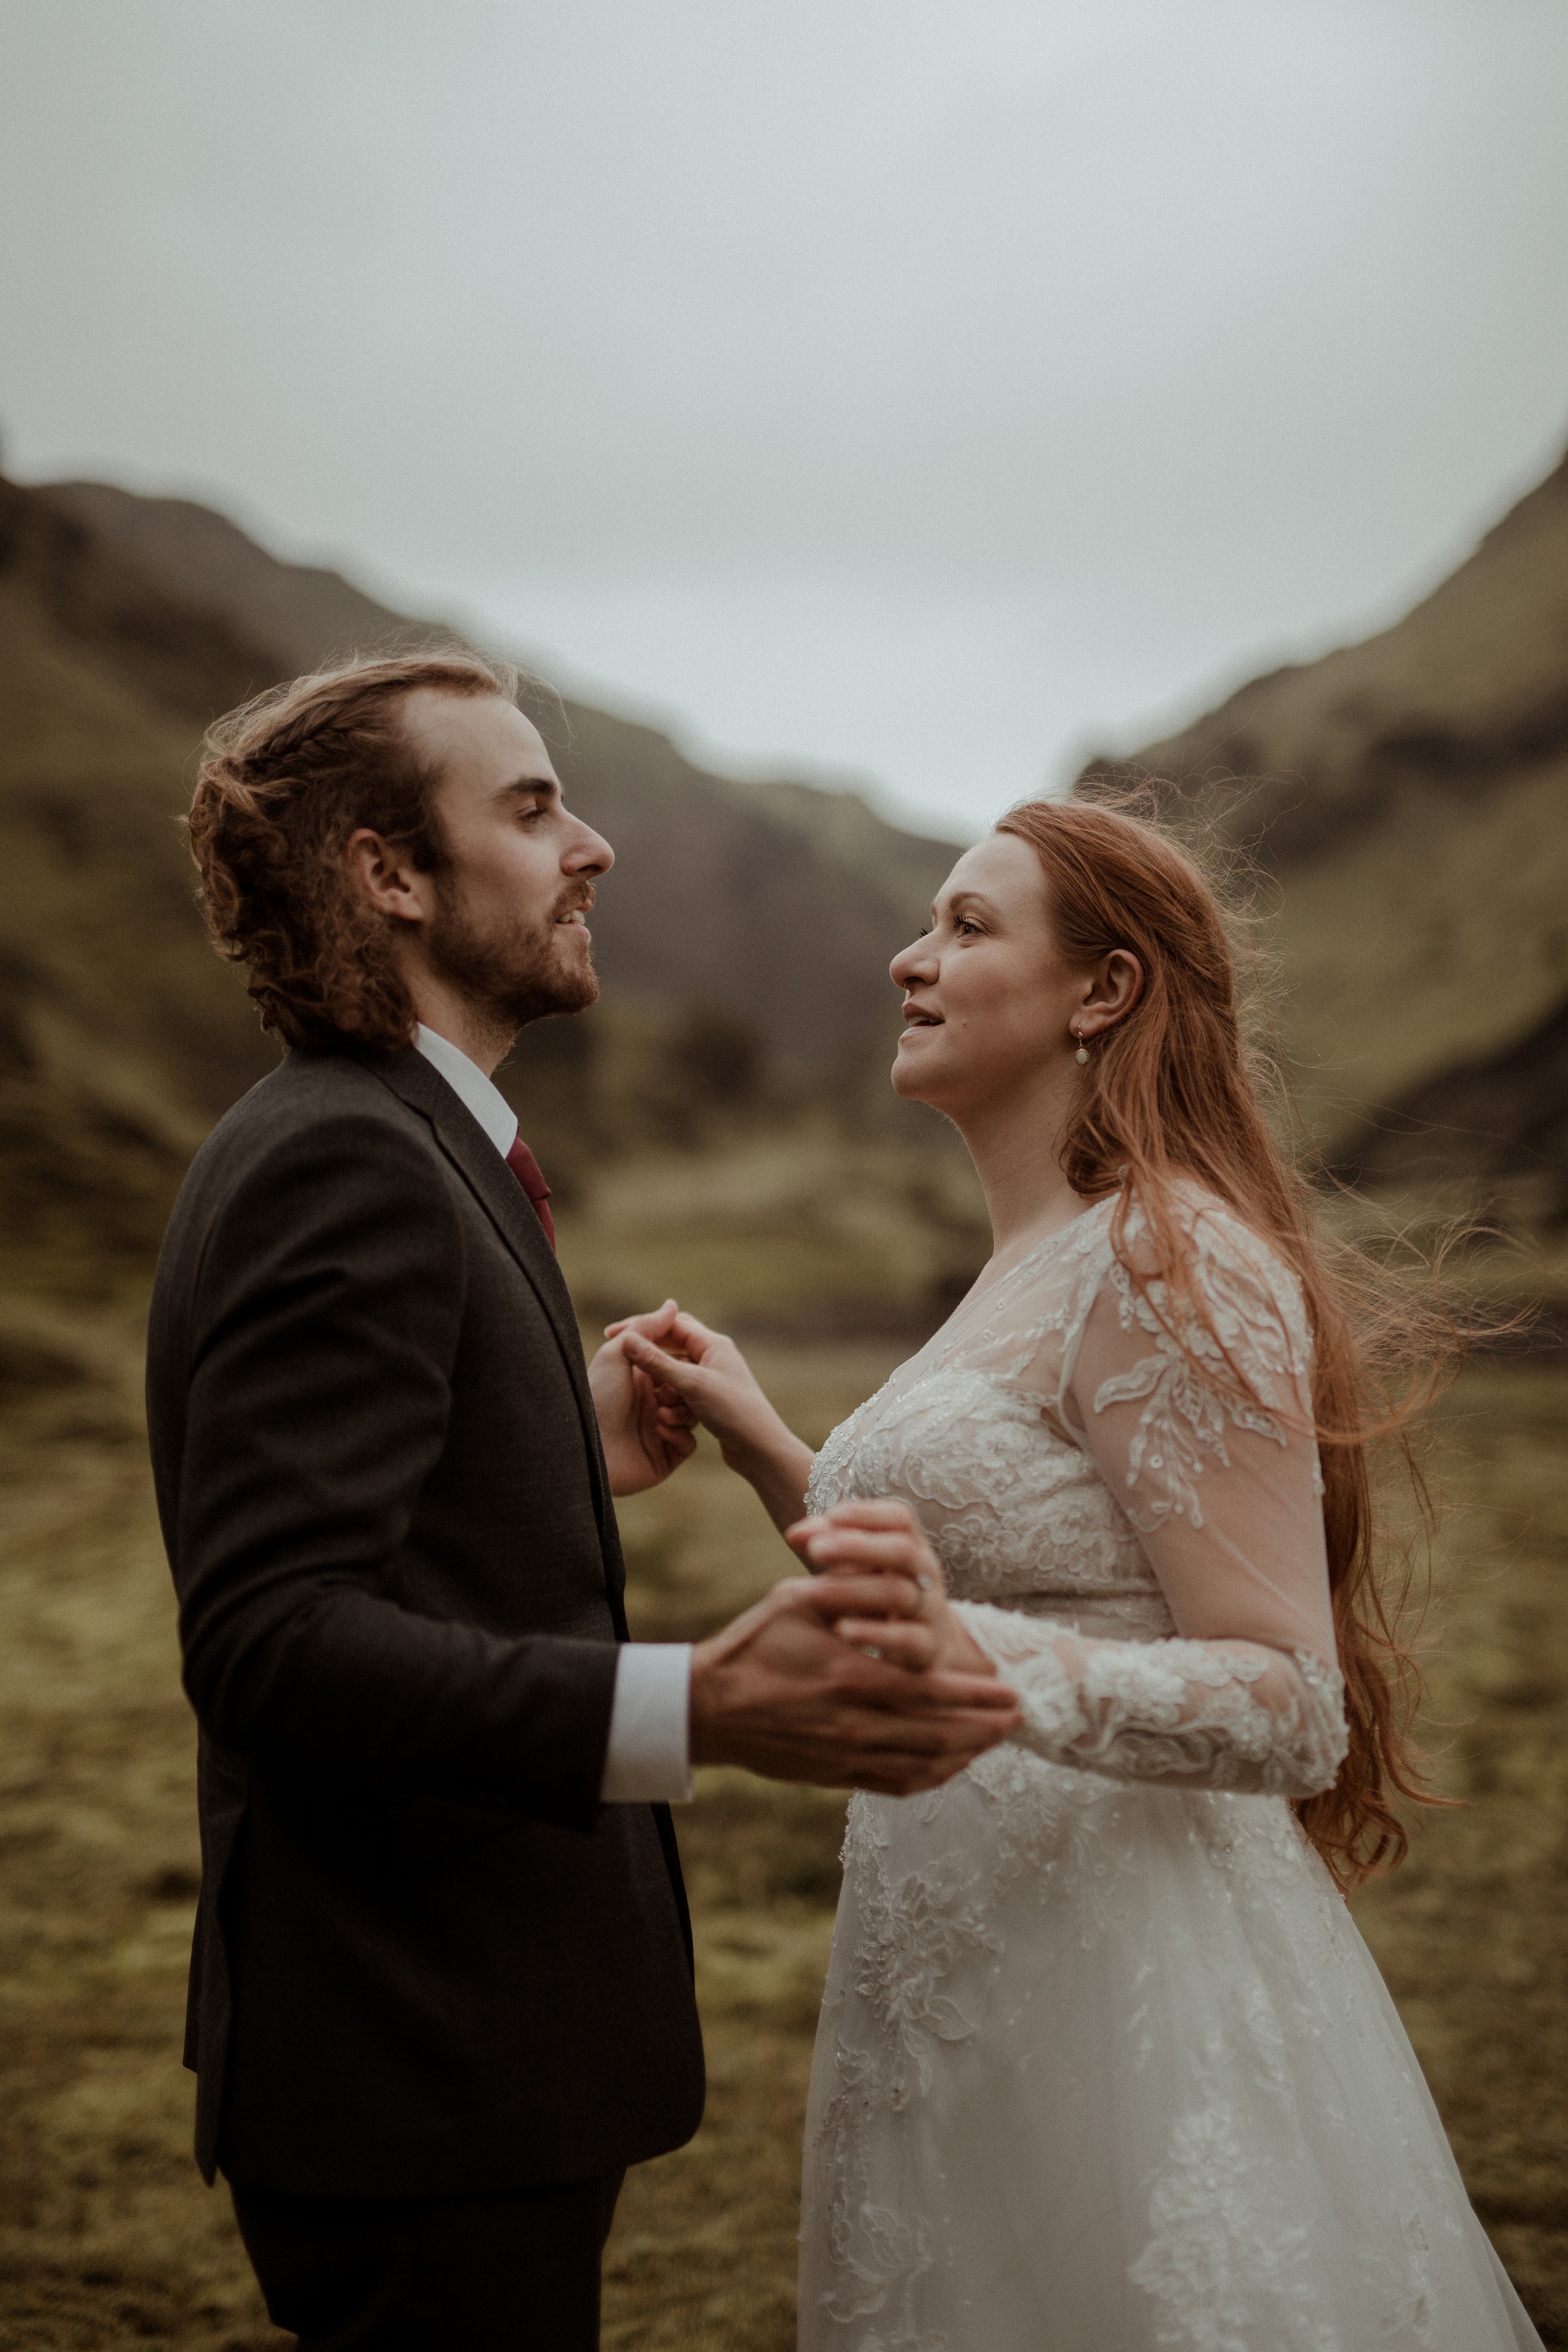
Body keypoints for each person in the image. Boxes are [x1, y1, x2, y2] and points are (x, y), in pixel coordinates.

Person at [145, 649, 1019, 2351]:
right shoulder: (346, 1160)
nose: (592, 845)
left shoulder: (410, 1140)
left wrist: (551, 1434)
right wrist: (691, 1704)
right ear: (388, 876)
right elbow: (266, 1643)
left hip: (466, 2053)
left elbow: (380, 1540)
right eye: (533, 807)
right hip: (416, 2063)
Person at [617, 797, 1545, 2350]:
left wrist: (977, 1668)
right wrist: (771, 1444)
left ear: (1101, 992)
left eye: (967, 927)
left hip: (1122, 1987)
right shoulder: (1020, 1262)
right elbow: (998, 1572)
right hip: (948, 1965)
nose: (909, 961)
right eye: (925, 926)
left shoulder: (1169, 1254)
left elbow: (1286, 1700)